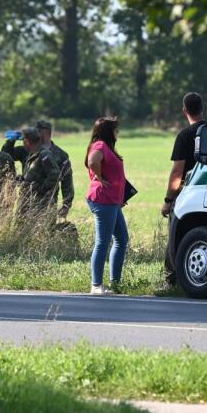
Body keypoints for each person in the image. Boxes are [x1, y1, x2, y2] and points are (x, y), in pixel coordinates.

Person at [160, 92, 207, 288]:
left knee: (176, 235)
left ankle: (171, 279)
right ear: (202, 108)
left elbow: (177, 171)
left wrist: (168, 200)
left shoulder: (184, 136)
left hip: (186, 194)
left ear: (184, 110)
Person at [85, 117, 128, 295]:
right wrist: (101, 179)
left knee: (122, 239)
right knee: (103, 242)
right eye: (115, 129)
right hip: (104, 200)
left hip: (112, 201)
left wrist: (120, 196)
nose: (117, 133)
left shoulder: (107, 147)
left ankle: (114, 283)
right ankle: (96, 285)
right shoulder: (100, 145)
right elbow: (92, 161)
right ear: (107, 131)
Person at [3, 119, 74, 218]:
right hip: (25, 202)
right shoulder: (27, 149)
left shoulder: (61, 155)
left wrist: (66, 205)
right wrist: (11, 141)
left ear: (44, 133)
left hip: (46, 203)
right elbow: (7, 155)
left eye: (37, 131)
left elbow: (67, 180)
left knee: (44, 231)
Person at [17, 127, 61, 221]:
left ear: (27, 141)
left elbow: (55, 175)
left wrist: (40, 189)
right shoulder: (33, 154)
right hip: (30, 203)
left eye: (23, 140)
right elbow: (37, 175)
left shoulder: (44, 155)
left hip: (40, 205)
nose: (23, 143)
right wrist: (23, 179)